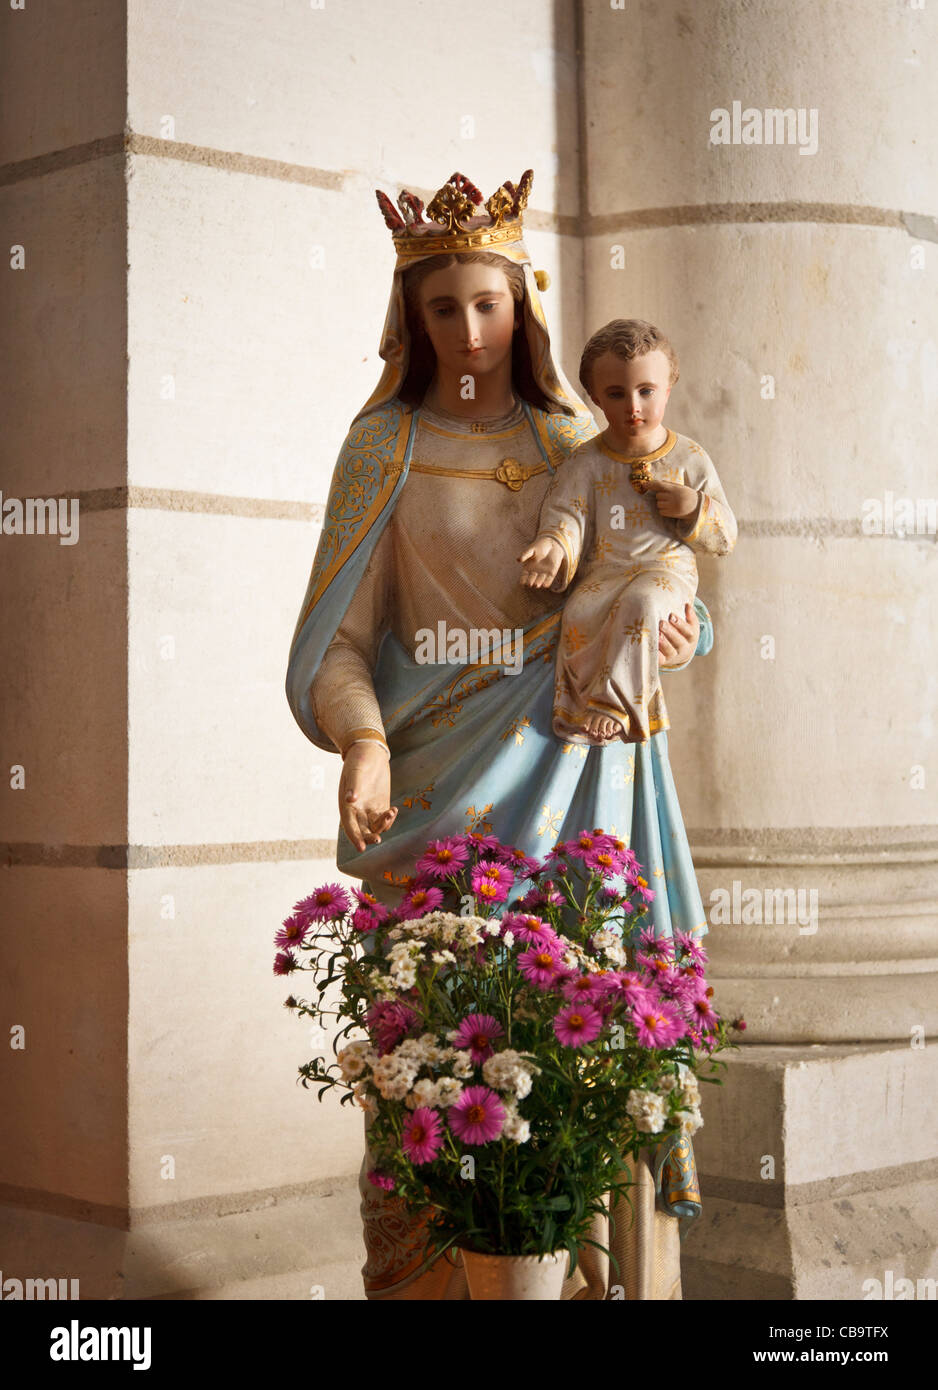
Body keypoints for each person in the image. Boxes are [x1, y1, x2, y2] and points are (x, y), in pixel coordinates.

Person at [285, 171, 712, 1300]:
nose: (468, 330)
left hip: (579, 781)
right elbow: (339, 640)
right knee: (436, 1080)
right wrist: (364, 743)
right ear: (408, 319)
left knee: (576, 1052)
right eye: (442, 308)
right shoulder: (381, 449)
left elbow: (669, 578)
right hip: (429, 796)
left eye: (488, 304)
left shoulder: (586, 436)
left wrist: (675, 625)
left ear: (522, 307)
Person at [520, 318, 736, 745]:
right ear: (596, 397)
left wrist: (694, 508)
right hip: (606, 572)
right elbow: (568, 512)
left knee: (643, 602)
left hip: (666, 572)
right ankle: (576, 709)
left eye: (646, 391)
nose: (632, 407)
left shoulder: (690, 458)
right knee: (581, 610)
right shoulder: (586, 462)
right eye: (616, 394)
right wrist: (552, 546)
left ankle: (616, 701)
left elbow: (725, 535)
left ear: (668, 388)